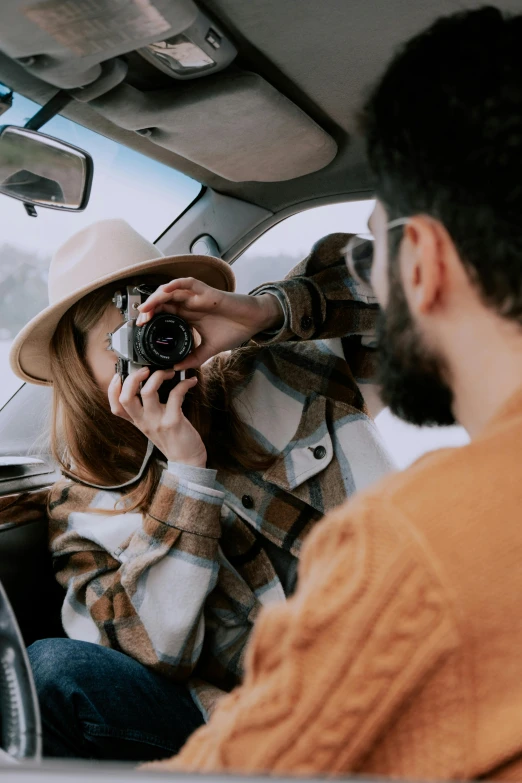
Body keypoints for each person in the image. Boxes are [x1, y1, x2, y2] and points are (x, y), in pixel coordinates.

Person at [138, 6, 522, 780]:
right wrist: (261, 314)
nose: (367, 279)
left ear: (421, 262)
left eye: (371, 248)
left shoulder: (418, 541)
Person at [10, 218, 394, 760]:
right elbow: (152, 654)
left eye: (157, 322)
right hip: (254, 721)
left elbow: (421, 288)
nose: (152, 348)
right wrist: (186, 474)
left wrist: (260, 313)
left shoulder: (282, 371)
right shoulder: (80, 505)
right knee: (51, 669)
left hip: (390, 656)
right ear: (77, 367)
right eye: (122, 339)